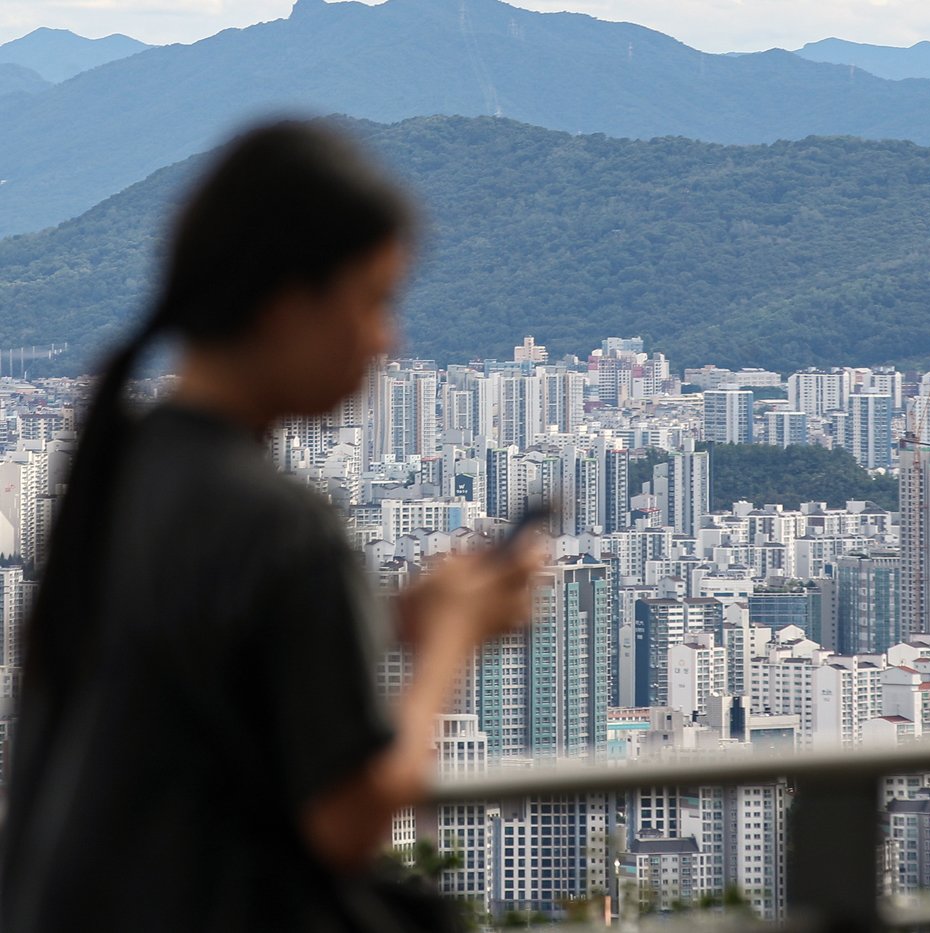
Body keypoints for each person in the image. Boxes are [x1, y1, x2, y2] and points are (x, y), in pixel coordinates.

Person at [0, 122, 542, 930]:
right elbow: (348, 818)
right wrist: (450, 641)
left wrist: (386, 625)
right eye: (374, 300)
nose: (388, 338)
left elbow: (210, 668)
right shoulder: (282, 525)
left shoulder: (123, 469)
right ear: (290, 307)